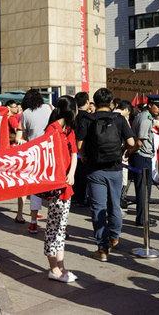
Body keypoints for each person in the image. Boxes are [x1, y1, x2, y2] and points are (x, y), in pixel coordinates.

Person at [76, 88, 135, 262]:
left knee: (98, 207)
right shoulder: (119, 119)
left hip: (95, 170)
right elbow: (131, 142)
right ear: (111, 103)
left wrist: (85, 157)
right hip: (115, 169)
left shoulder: (87, 119)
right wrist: (122, 149)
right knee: (114, 205)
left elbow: (79, 146)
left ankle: (102, 249)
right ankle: (114, 238)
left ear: (94, 101)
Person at [43, 95, 78, 283]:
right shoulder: (53, 130)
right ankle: (53, 268)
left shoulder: (68, 129)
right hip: (56, 187)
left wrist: (71, 173)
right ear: (71, 111)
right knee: (53, 228)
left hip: (67, 185)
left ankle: (61, 266)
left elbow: (74, 153)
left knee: (61, 228)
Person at [21, 89, 53, 234]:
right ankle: (54, 221)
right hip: (50, 152)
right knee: (53, 187)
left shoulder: (25, 113)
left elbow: (24, 134)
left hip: (33, 154)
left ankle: (33, 222)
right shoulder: (48, 108)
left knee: (34, 189)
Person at [130, 95, 159, 227]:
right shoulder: (146, 119)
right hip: (142, 157)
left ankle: (142, 217)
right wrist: (131, 152)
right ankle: (142, 219)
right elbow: (140, 142)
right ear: (150, 105)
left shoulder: (144, 116)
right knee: (144, 189)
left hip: (141, 156)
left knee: (142, 189)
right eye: (157, 106)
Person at [7, 99, 27, 223]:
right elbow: (17, 134)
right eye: (14, 107)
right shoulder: (12, 119)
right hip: (15, 151)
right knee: (23, 185)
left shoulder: (4, 118)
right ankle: (21, 214)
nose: (17, 109)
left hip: (8, 151)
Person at [72, 92, 91, 205]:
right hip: (84, 150)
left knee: (74, 173)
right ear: (87, 102)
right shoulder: (88, 117)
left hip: (73, 150)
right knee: (83, 175)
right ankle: (81, 198)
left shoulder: (73, 116)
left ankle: (73, 196)